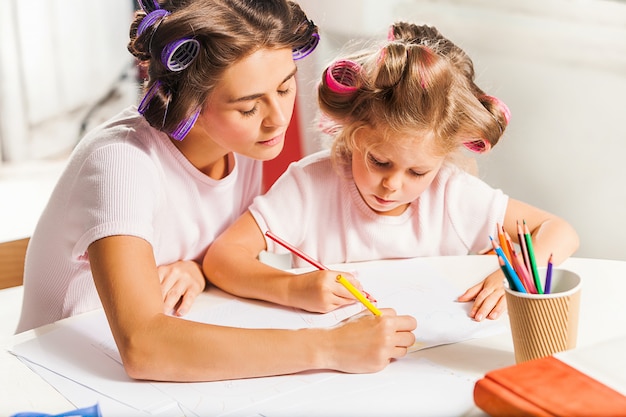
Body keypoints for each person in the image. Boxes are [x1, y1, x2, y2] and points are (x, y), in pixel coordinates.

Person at [16, 0, 417, 382]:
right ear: (190, 103)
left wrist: (196, 267)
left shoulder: (240, 146)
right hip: (66, 381)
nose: (277, 119)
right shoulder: (120, 162)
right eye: (248, 107)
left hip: (157, 367)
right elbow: (144, 346)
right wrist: (329, 348)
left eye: (284, 88)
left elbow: (202, 242)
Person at [203, 22, 580, 323]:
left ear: (443, 162)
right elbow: (223, 258)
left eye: (418, 172)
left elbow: (559, 232)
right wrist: (293, 289)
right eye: (379, 162)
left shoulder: (451, 193)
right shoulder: (311, 185)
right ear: (352, 135)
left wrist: (509, 274)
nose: (393, 184)